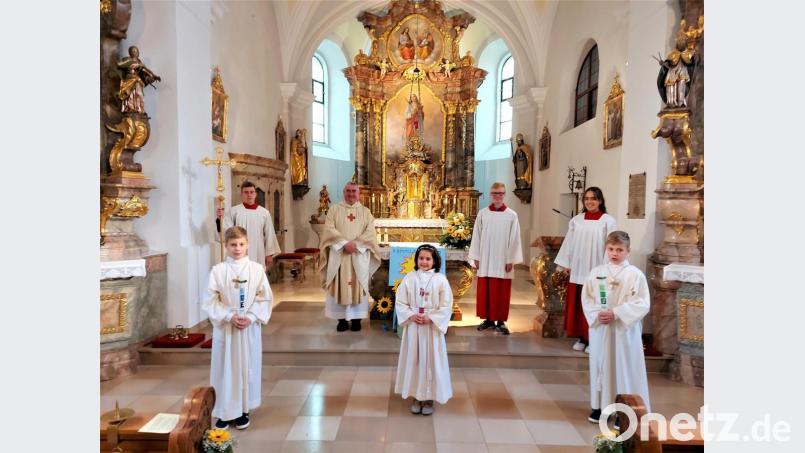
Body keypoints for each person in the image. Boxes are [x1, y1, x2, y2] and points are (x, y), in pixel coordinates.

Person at [204, 226, 273, 430]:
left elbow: (265, 296)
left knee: (247, 366)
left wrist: (251, 316)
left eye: (241, 244)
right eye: (233, 245)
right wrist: (228, 315)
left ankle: (244, 409)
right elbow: (210, 300)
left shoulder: (256, 269)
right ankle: (224, 411)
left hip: (248, 327)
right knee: (225, 368)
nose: (237, 248)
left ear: (247, 244)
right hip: (227, 326)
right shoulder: (218, 270)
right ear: (226, 246)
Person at [582, 231, 650, 423]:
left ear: (628, 251)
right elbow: (586, 297)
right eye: (611, 249)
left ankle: (625, 410)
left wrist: (617, 313)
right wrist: (597, 313)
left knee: (623, 368)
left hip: (623, 331)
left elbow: (643, 303)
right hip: (601, 328)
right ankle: (599, 407)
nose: (614, 253)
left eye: (619, 250)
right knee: (600, 365)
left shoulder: (635, 275)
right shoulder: (596, 273)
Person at [554, 187, 617, 353]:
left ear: (600, 201)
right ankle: (581, 337)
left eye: (594, 198)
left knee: (597, 303)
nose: (590, 201)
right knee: (581, 304)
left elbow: (611, 246)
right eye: (587, 198)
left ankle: (594, 338)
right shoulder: (577, 220)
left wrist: (606, 269)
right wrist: (567, 263)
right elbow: (569, 243)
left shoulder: (608, 221)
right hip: (579, 268)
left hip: (598, 270)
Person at [394, 244, 453, 416]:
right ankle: (416, 396)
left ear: (435, 261)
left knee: (431, 360)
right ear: (416, 260)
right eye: (421, 258)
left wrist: (432, 318)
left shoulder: (441, 280)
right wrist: (411, 316)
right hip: (414, 326)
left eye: (428, 259)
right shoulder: (409, 278)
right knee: (415, 359)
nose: (424, 262)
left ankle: (429, 397)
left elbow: (446, 304)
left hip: (431, 328)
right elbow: (400, 301)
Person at [319, 182, 381, 331]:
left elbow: (370, 232)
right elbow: (328, 229)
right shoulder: (334, 210)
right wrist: (344, 243)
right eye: (348, 191)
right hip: (339, 255)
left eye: (354, 191)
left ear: (359, 193)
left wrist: (357, 244)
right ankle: (340, 319)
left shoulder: (366, 212)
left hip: (358, 256)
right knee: (338, 284)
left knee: (358, 285)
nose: (351, 194)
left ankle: (357, 319)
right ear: (343, 192)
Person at [468, 182, 523, 335]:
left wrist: (510, 259)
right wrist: (476, 257)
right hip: (485, 258)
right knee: (486, 290)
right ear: (491, 194)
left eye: (500, 193)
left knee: (501, 291)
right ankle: (488, 320)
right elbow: (477, 236)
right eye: (494, 193)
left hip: (502, 259)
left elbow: (515, 239)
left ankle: (501, 321)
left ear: (504, 194)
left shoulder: (512, 215)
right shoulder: (483, 213)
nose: (497, 196)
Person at [216, 181, 281, 268]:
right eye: (246, 192)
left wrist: (269, 253)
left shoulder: (264, 213)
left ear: (255, 194)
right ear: (241, 194)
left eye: (251, 192)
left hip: (258, 250)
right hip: (239, 249)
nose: (249, 195)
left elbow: (269, 234)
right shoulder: (234, 211)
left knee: (256, 276)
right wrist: (220, 219)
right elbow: (227, 231)